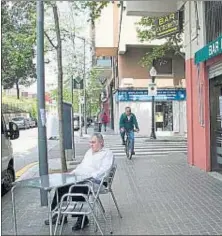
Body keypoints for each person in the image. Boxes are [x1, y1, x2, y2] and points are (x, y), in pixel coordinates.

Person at [44, 133, 114, 231]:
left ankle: (82, 219)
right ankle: (58, 215)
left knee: (78, 188)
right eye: (90, 142)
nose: (91, 144)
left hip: (97, 181)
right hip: (82, 178)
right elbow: (82, 166)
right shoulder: (89, 152)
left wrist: (89, 176)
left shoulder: (107, 153)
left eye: (93, 142)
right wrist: (72, 174)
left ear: (101, 142)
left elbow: (105, 170)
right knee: (62, 186)